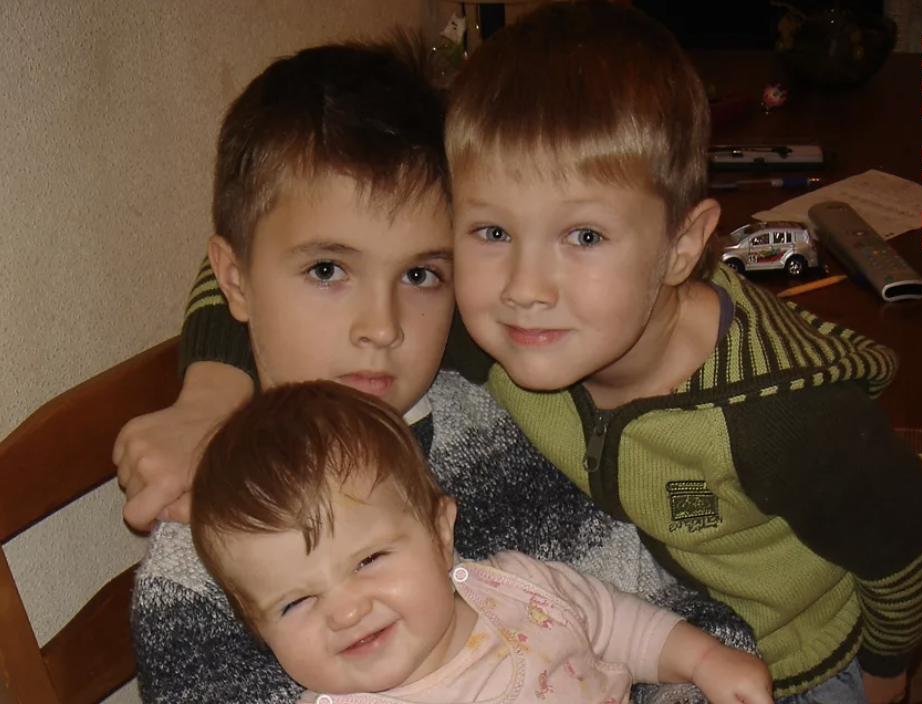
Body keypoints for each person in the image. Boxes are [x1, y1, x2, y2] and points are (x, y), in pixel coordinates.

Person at [123, 31, 756, 704]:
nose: (382, 326)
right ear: (235, 280)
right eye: (327, 270)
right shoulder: (201, 565)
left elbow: (666, 613)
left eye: (421, 274)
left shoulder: (499, 423)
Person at [443, 3, 922, 704]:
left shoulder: (780, 421)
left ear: (683, 245)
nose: (524, 289)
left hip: (796, 663)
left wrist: (887, 672)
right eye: (492, 231)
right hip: (658, 634)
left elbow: (914, 539)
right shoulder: (504, 335)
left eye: (585, 237)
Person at [189, 380, 774, 704]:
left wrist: (703, 660)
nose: (346, 610)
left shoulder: (522, 589)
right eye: (294, 602)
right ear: (257, 630)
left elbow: (618, 625)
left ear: (441, 534)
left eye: (368, 560)